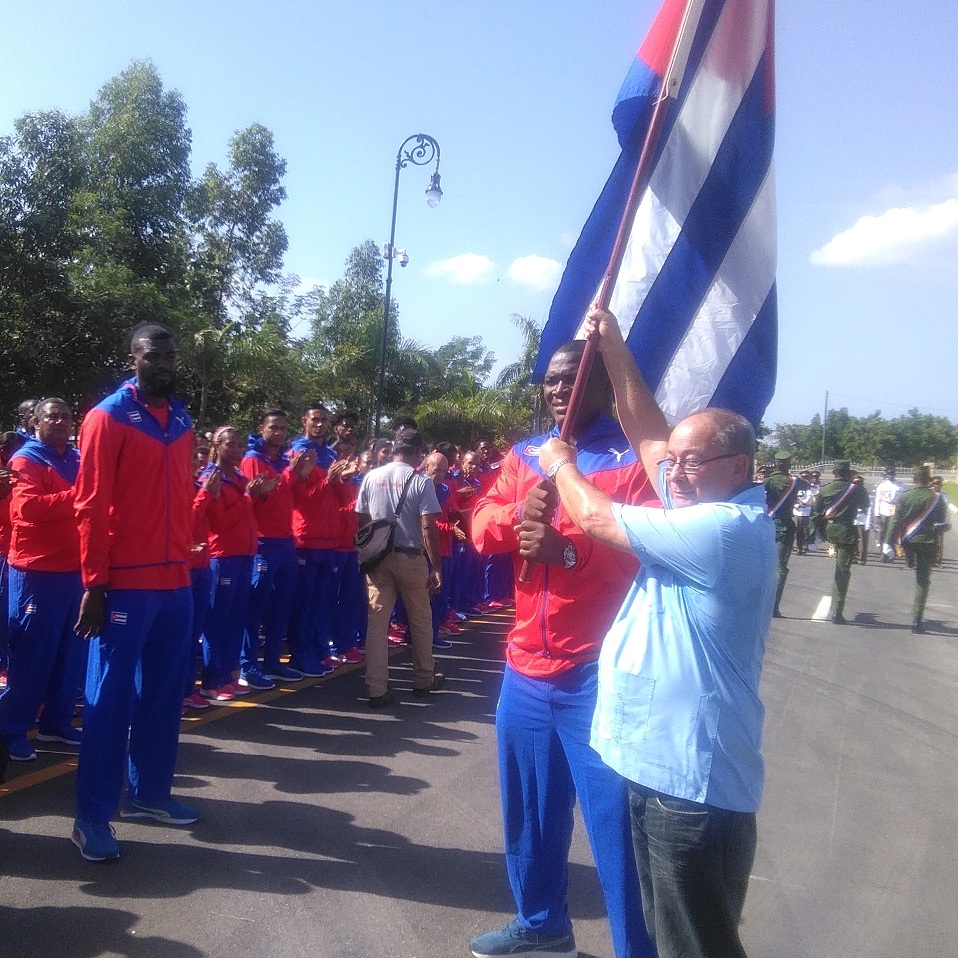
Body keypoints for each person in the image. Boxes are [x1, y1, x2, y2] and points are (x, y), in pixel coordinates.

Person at [538, 304, 776, 958]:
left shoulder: (722, 530)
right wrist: (613, 347)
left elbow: (598, 520)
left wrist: (560, 463)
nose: (674, 474)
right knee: (672, 935)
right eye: (676, 462)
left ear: (740, 466)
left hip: (690, 790)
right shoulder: (704, 495)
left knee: (694, 946)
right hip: (663, 773)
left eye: (692, 462)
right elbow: (648, 436)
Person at [469, 338, 657, 958]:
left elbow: (646, 545)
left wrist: (569, 549)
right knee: (529, 814)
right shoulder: (524, 455)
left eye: (571, 378)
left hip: (600, 670)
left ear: (603, 384)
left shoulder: (632, 462)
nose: (557, 390)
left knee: (617, 829)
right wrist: (519, 509)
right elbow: (480, 525)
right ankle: (542, 925)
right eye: (549, 381)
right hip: (525, 669)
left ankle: (638, 949)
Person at [72, 322, 198, 862]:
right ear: (133, 358)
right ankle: (91, 817)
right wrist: (94, 584)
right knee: (109, 701)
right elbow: (91, 505)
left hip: (176, 582)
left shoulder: (184, 418)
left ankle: (149, 793)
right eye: (154, 355)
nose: (165, 363)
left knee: (164, 696)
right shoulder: (106, 417)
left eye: (171, 355)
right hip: (125, 584)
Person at [0, 399, 86, 761]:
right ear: (35, 422)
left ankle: (56, 722)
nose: (61, 421)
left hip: (75, 571)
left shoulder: (79, 459)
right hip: (36, 572)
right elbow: (28, 509)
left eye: (66, 416)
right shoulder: (25, 459)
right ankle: (10, 729)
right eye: (53, 416)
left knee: (71, 654)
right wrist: (82, 497)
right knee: (33, 657)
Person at [355, 429, 444, 708]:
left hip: (379, 559)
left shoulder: (371, 477)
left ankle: (376, 688)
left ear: (395, 449)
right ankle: (423, 679)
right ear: (418, 453)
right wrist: (436, 566)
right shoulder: (421, 481)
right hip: (411, 557)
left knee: (377, 624)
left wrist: (374, 544)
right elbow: (429, 527)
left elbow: (362, 517)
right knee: (419, 620)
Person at [240, 409, 317, 690]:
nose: (279, 433)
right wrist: (290, 474)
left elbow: (290, 497)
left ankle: (272, 661)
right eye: (273, 427)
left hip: (285, 541)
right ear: (262, 428)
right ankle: (247, 665)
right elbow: (256, 499)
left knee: (283, 603)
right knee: (256, 604)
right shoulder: (253, 460)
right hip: (263, 542)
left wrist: (297, 476)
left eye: (283, 428)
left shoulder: (284, 461)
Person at [884, 466, 948, 634]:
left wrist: (888, 542)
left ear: (914, 479)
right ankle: (917, 618)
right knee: (923, 580)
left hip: (908, 540)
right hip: (927, 542)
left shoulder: (905, 496)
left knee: (912, 558)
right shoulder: (937, 498)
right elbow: (941, 523)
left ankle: (909, 557)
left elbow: (895, 521)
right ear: (928, 479)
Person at [814, 460, 870, 624]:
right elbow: (865, 505)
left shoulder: (825, 489)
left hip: (830, 530)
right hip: (846, 532)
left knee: (840, 566)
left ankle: (830, 548)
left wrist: (818, 534)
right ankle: (837, 611)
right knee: (842, 571)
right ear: (848, 473)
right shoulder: (855, 489)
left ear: (834, 473)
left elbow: (816, 514)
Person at [763, 450, 808, 617]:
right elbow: (808, 486)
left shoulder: (767, 481)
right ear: (788, 465)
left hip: (767, 525)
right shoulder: (795, 482)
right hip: (785, 527)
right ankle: (774, 606)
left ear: (775, 464)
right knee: (780, 567)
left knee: (763, 565)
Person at [873, 465, 904, 561]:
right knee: (882, 531)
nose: (890, 475)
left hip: (895, 509)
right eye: (888, 473)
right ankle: (883, 551)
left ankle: (889, 553)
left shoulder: (900, 486)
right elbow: (877, 500)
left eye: (891, 473)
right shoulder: (882, 486)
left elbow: (903, 500)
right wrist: (876, 514)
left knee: (891, 531)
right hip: (884, 509)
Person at [929, 476, 951, 566]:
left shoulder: (944, 496)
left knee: (938, 542)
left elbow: (947, 510)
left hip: (940, 522)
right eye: (935, 483)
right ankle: (928, 558)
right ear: (932, 484)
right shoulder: (929, 495)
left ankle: (937, 560)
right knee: (928, 541)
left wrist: (946, 522)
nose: (937, 485)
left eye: (938, 483)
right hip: (929, 522)